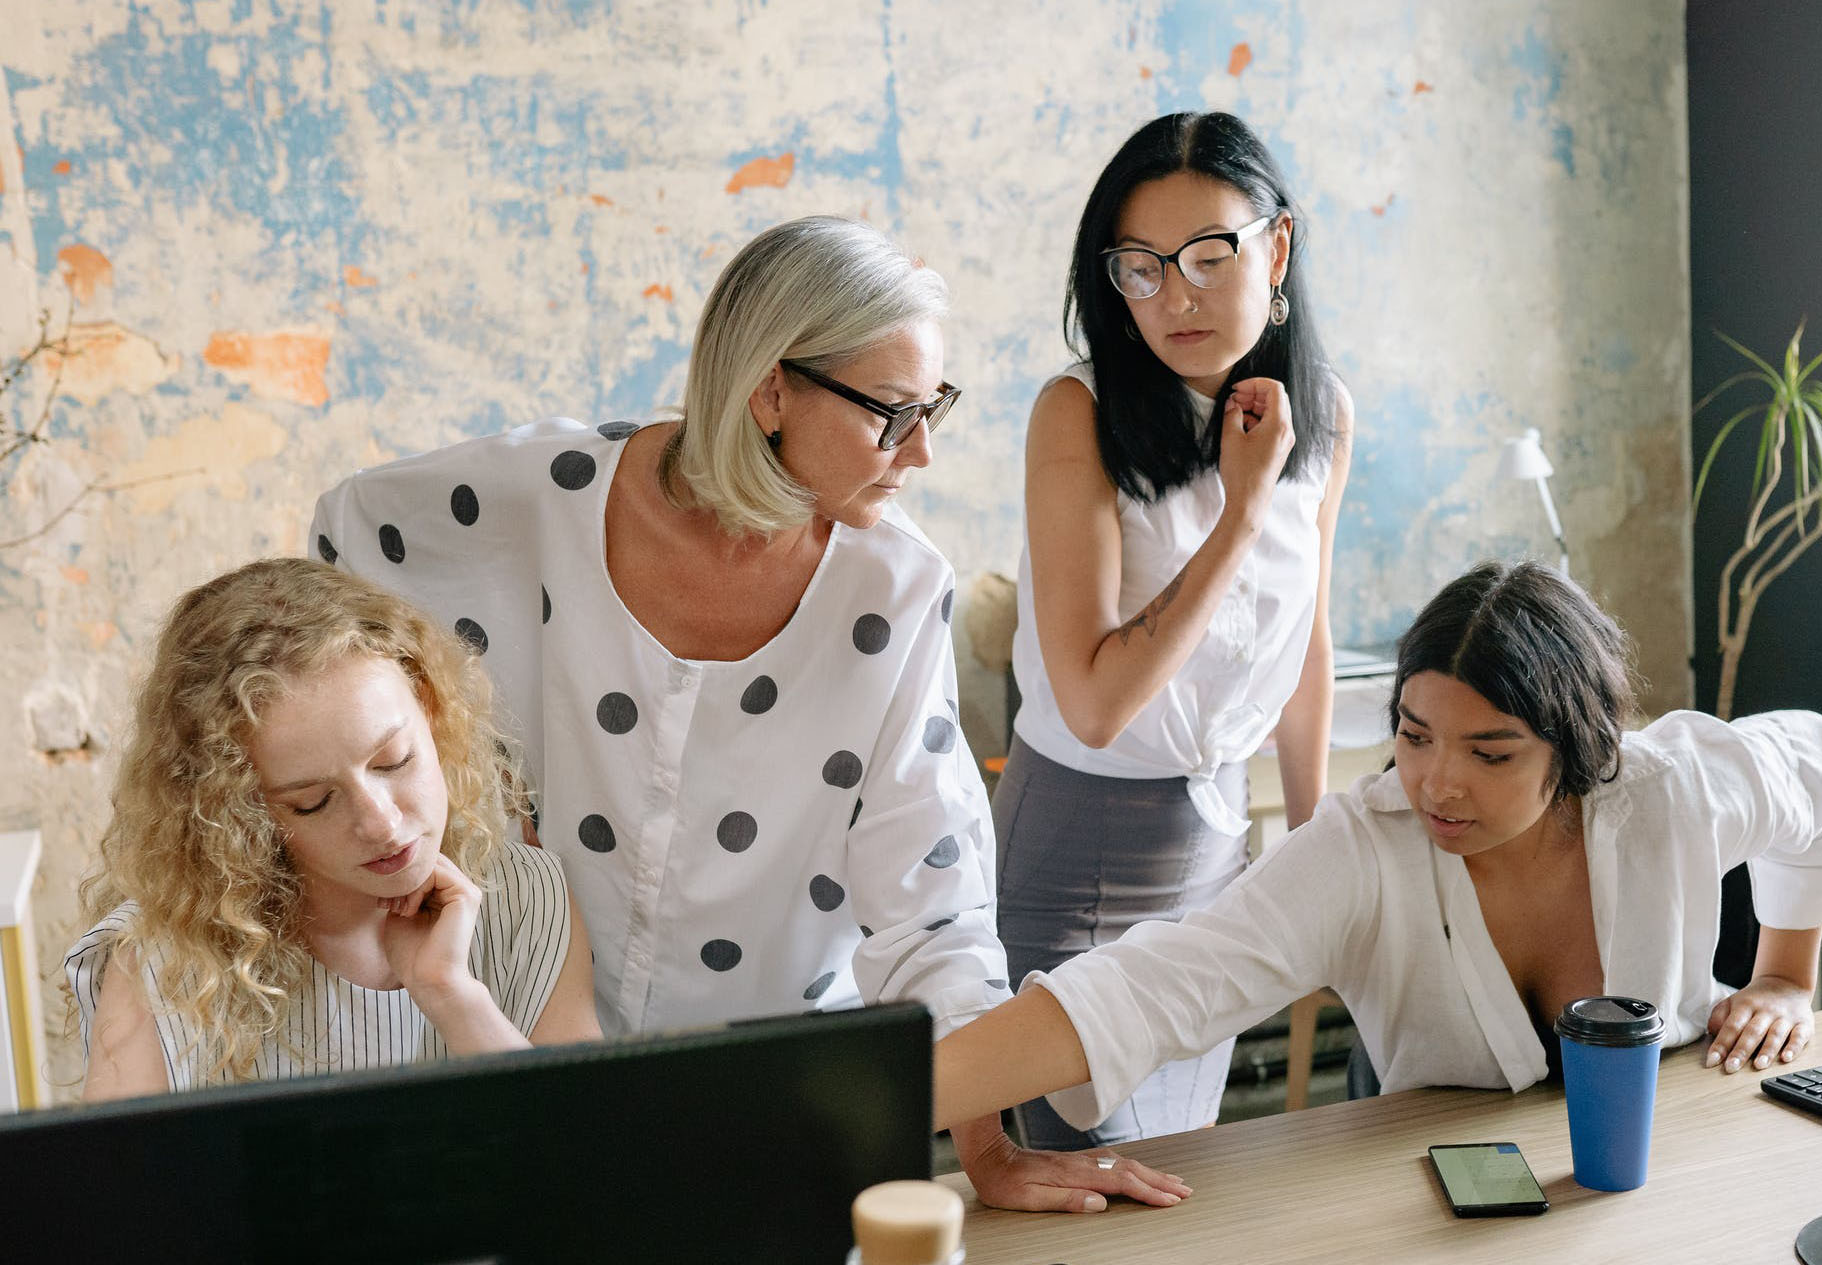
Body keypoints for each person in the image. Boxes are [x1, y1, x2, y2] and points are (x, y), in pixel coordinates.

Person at [309, 215, 1184, 1213]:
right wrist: (452, 791)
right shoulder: (542, 496)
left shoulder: (893, 593)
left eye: (933, 407)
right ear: (771, 390)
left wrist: (986, 1150)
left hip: (778, 1098)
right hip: (528, 1053)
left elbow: (929, 898)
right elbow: (349, 542)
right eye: (893, 414)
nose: (923, 452)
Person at [936, 560, 1822, 1139]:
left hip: (1685, 1151)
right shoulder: (1363, 849)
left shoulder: (1670, 785)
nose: (1437, 783)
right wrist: (895, 1102)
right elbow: (1159, 984)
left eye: (1490, 751)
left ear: (1577, 746)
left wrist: (1787, 975)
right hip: (1447, 1191)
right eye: (1415, 735)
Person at [997, 110, 1354, 1149]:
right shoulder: (1079, 411)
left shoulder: (1320, 410)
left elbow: (1308, 637)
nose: (1176, 295)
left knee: (1183, 1172)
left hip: (1221, 847)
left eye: (1208, 254)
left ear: (1276, 245)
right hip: (1080, 847)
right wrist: (1239, 513)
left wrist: (1317, 840)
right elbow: (1097, 704)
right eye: (1141, 268)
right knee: (1086, 1182)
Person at [66, 558, 601, 1099]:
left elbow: (590, 1167)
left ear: (433, 712)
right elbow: (117, 1183)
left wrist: (452, 996)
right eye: (314, 802)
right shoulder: (168, 961)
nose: (382, 823)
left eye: (395, 761)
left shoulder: (529, 900)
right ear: (241, 814)